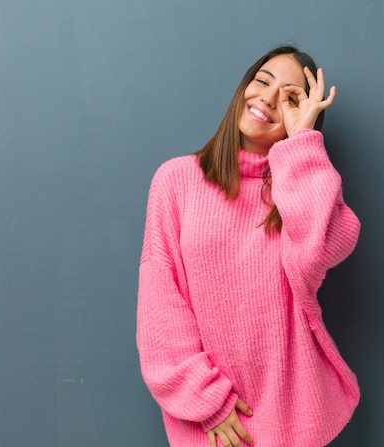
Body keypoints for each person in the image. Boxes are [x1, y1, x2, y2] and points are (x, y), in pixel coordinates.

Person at [136, 45, 361, 447]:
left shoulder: (300, 189)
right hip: (218, 419)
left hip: (296, 413)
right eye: (262, 82)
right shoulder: (176, 181)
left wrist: (303, 140)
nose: (269, 99)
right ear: (243, 88)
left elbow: (317, 251)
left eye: (290, 97)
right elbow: (161, 302)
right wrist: (208, 402)